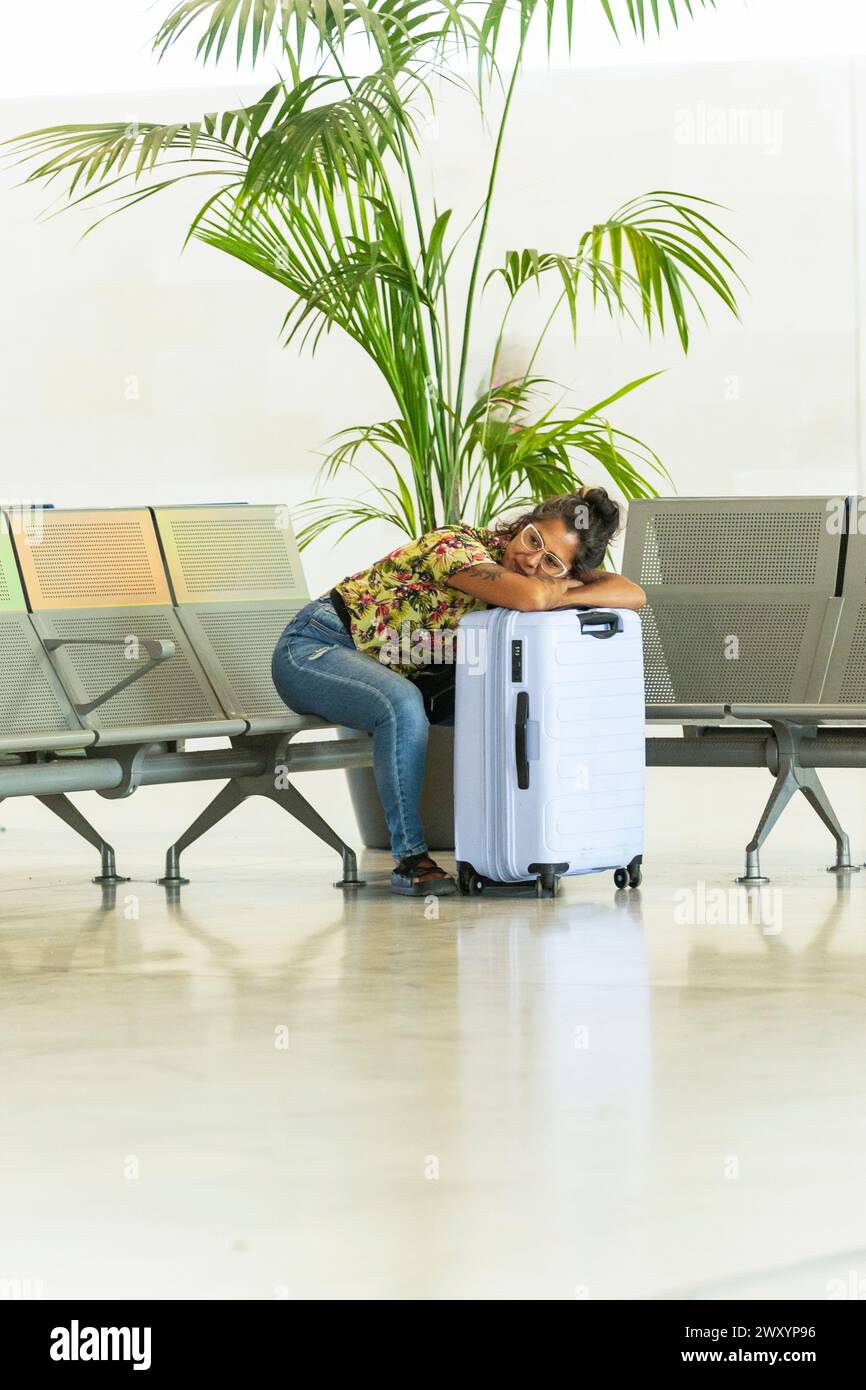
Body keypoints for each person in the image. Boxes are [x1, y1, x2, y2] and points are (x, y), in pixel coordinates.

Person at [271, 488, 647, 896]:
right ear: (523, 524)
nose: (530, 559)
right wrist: (554, 584)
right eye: (533, 539)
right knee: (400, 703)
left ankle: (522, 847)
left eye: (552, 561)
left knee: (508, 709)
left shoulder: (540, 576)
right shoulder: (455, 545)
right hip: (315, 648)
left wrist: (560, 587)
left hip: (397, 671)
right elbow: (531, 596)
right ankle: (410, 859)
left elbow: (633, 594)